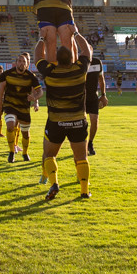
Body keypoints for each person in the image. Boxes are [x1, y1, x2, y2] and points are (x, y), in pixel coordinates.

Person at [35, 31, 93, 201]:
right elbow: (87, 51)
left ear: (57, 60)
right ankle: (84, 191)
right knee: (81, 157)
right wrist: (76, 34)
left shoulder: (50, 72)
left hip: (56, 122)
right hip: (77, 121)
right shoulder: (79, 69)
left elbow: (38, 56)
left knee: (49, 155)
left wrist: (42, 39)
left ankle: (53, 182)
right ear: (72, 59)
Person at [0, 53, 42, 165]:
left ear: (27, 65)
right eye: (20, 61)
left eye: (24, 62)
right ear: (16, 62)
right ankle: (11, 152)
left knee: (25, 133)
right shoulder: (8, 73)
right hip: (10, 105)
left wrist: (35, 98)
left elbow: (39, 91)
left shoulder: (31, 76)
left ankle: (25, 153)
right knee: (11, 125)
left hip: (24, 107)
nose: (22, 63)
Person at [85, 55, 109, 155]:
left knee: (94, 120)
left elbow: (101, 79)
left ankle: (90, 143)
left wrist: (103, 95)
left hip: (93, 97)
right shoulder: (78, 61)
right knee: (81, 123)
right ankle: (82, 144)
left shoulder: (97, 62)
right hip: (80, 97)